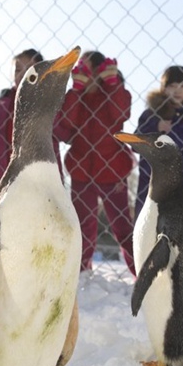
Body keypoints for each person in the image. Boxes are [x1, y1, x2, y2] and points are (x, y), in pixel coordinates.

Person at [58, 50, 135, 274]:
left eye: (91, 70)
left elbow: (121, 113)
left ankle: (138, 271)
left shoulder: (114, 93)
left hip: (113, 170)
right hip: (82, 170)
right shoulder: (76, 97)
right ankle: (82, 270)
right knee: (83, 226)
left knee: (122, 227)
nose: (86, 75)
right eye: (83, 70)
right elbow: (67, 121)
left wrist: (112, 85)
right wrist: (76, 89)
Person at [0, 48, 63, 201]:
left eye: (29, 69)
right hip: (4, 176)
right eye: (17, 70)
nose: (22, 74)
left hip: (39, 179)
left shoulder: (50, 102)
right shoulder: (2, 103)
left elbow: (62, 133)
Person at [135, 65, 183, 214]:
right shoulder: (152, 114)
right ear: (164, 88)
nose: (178, 90)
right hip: (152, 181)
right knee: (150, 226)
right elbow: (135, 143)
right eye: (172, 86)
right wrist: (156, 127)